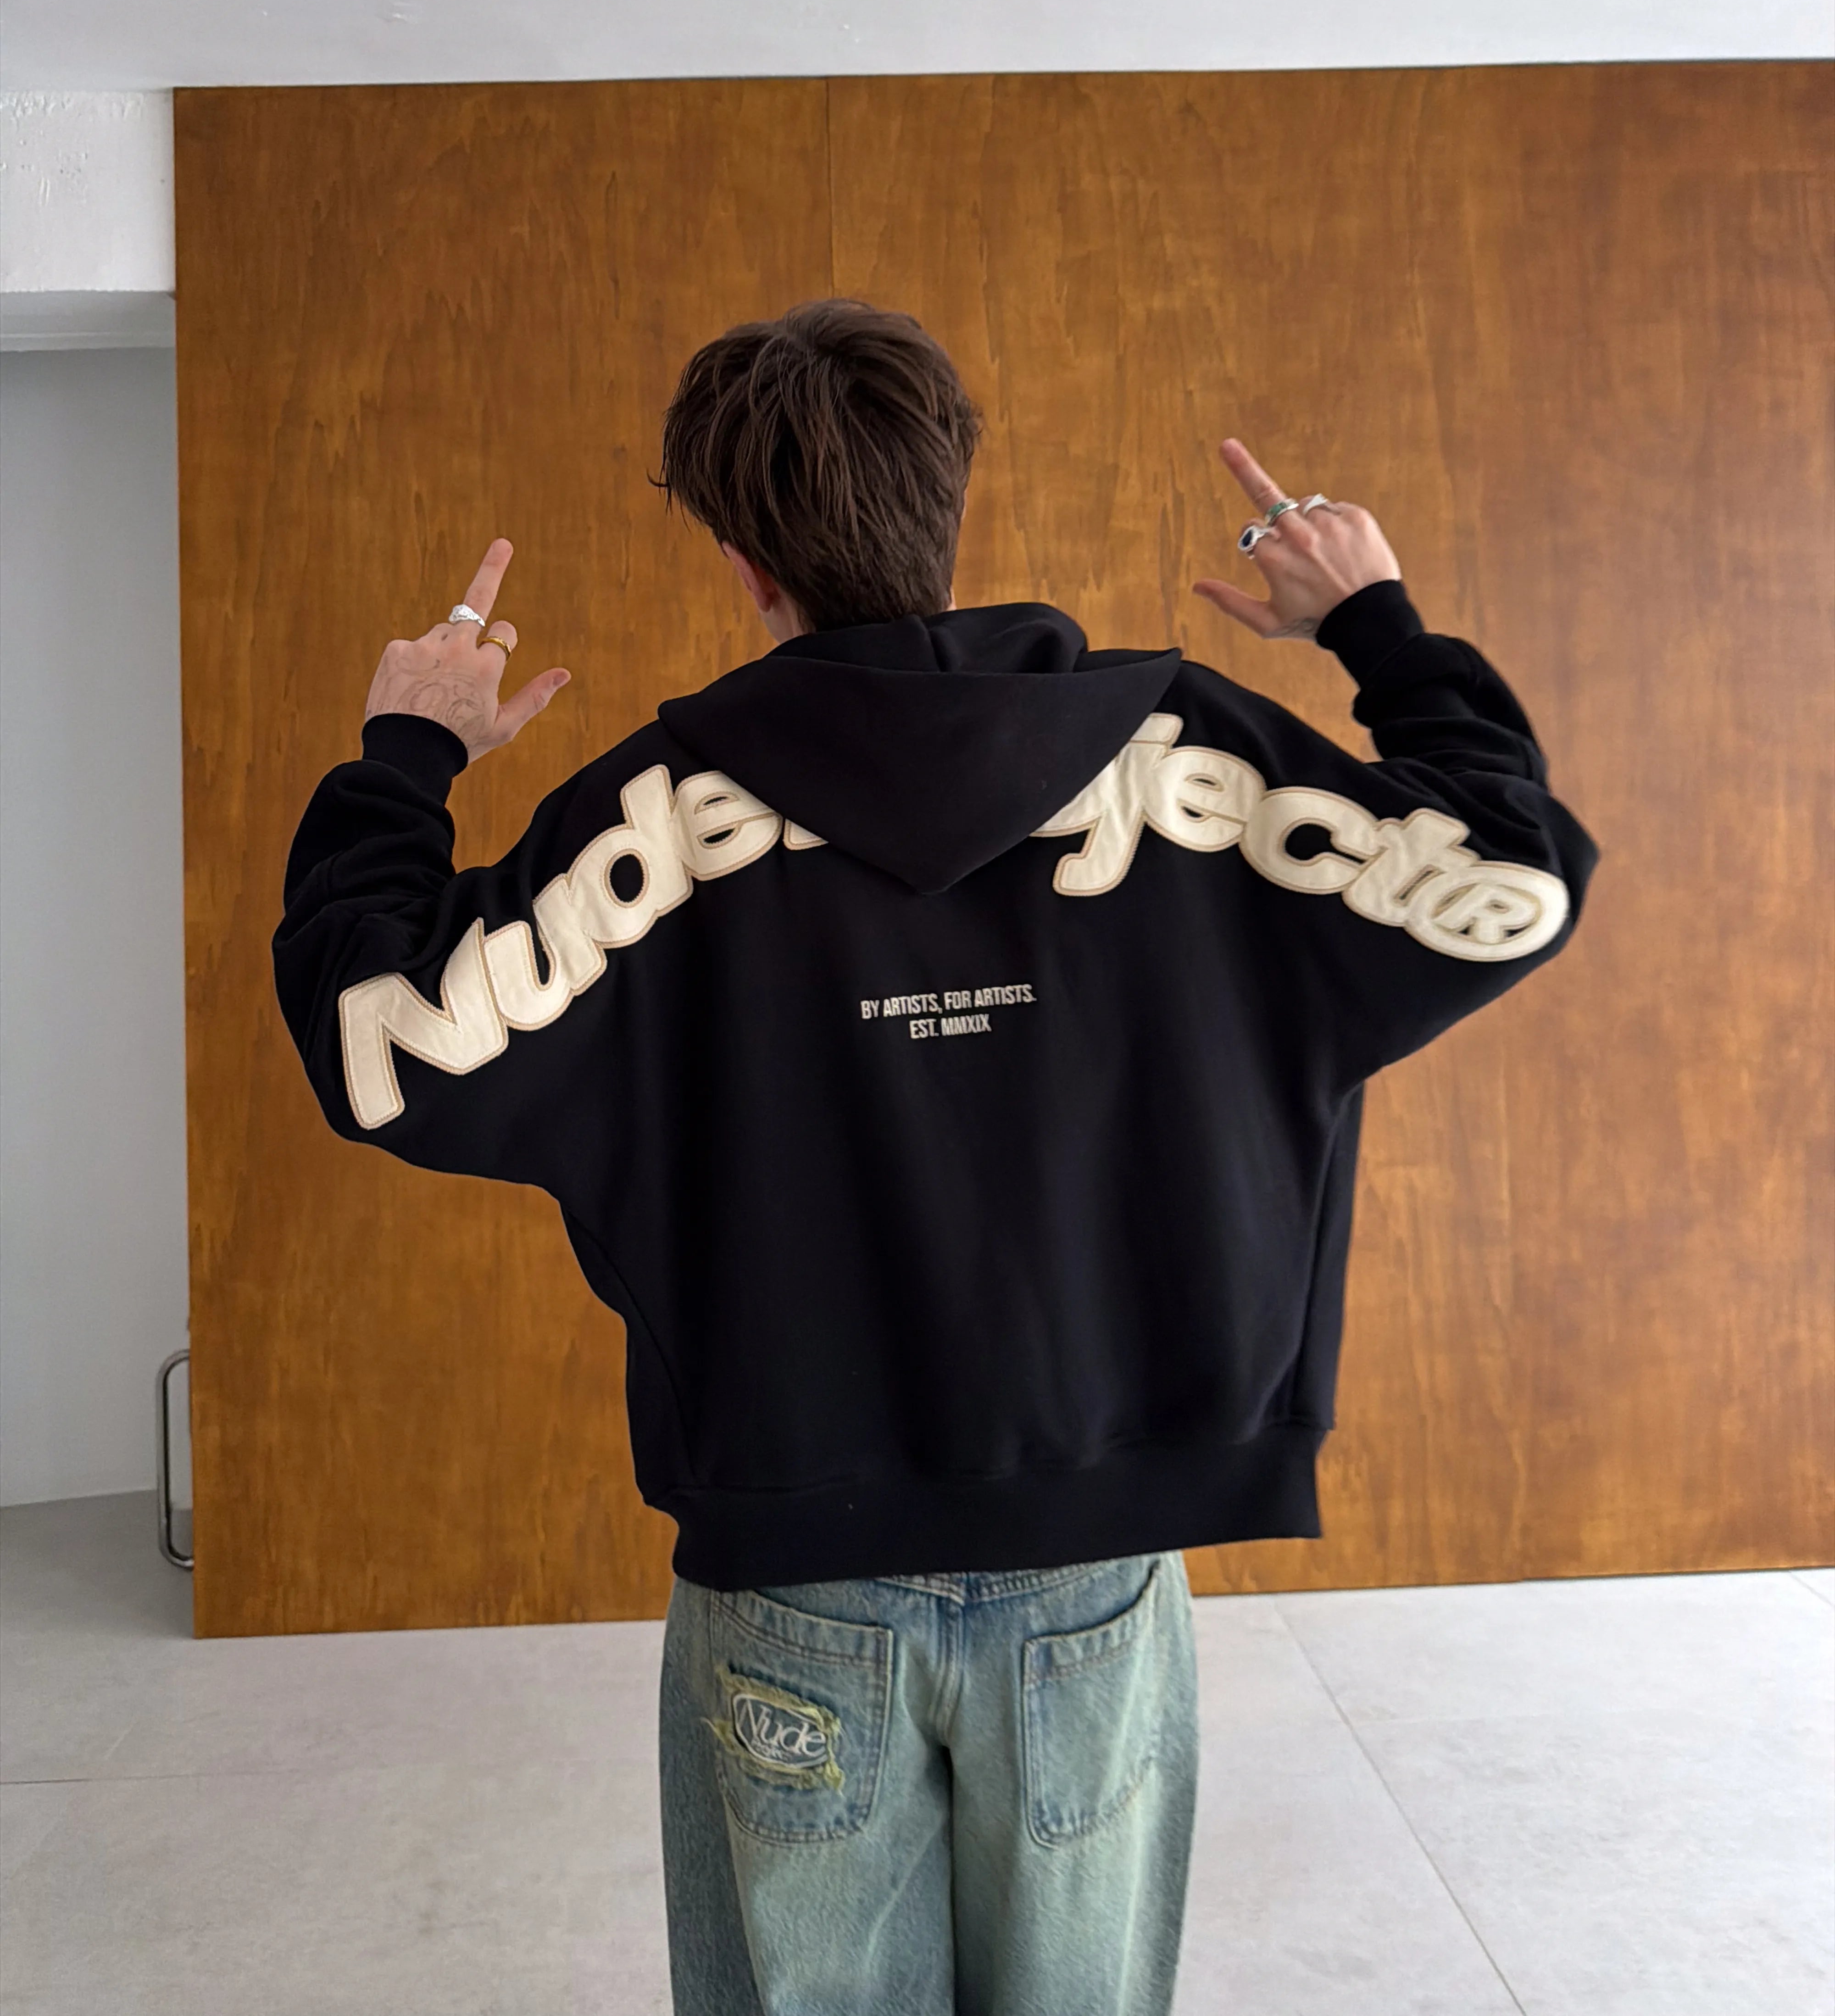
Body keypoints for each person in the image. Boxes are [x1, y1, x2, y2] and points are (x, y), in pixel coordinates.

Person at [274, 296, 1598, 2015]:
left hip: (793, 1581)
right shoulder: (1194, 764)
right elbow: (1513, 878)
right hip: (1097, 1569)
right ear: (951, 493)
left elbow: (379, 1041)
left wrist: (409, 754)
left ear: (746, 561)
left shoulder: (652, 823)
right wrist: (1375, 625)